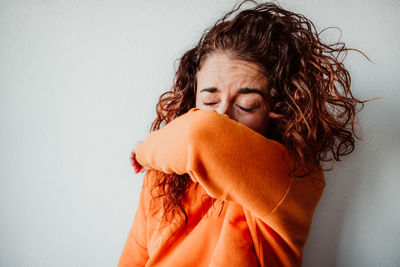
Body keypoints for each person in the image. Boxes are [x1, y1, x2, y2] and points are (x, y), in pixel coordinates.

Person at [118, 1, 374, 266]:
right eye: (208, 100)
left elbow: (202, 133)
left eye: (246, 106)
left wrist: (143, 150)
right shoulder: (164, 177)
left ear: (278, 109)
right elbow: (133, 258)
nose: (221, 116)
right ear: (191, 97)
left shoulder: (294, 177)